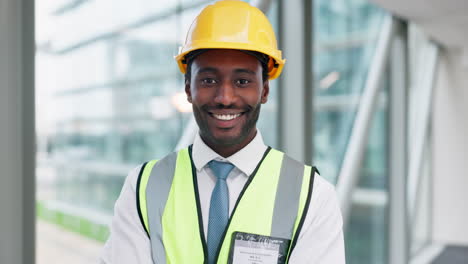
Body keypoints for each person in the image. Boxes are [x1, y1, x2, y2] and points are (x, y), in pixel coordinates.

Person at [101, 1, 344, 263]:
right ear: (187, 88)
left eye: (242, 81)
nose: (225, 97)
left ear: (264, 90)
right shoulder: (142, 188)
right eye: (208, 80)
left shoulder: (312, 195)